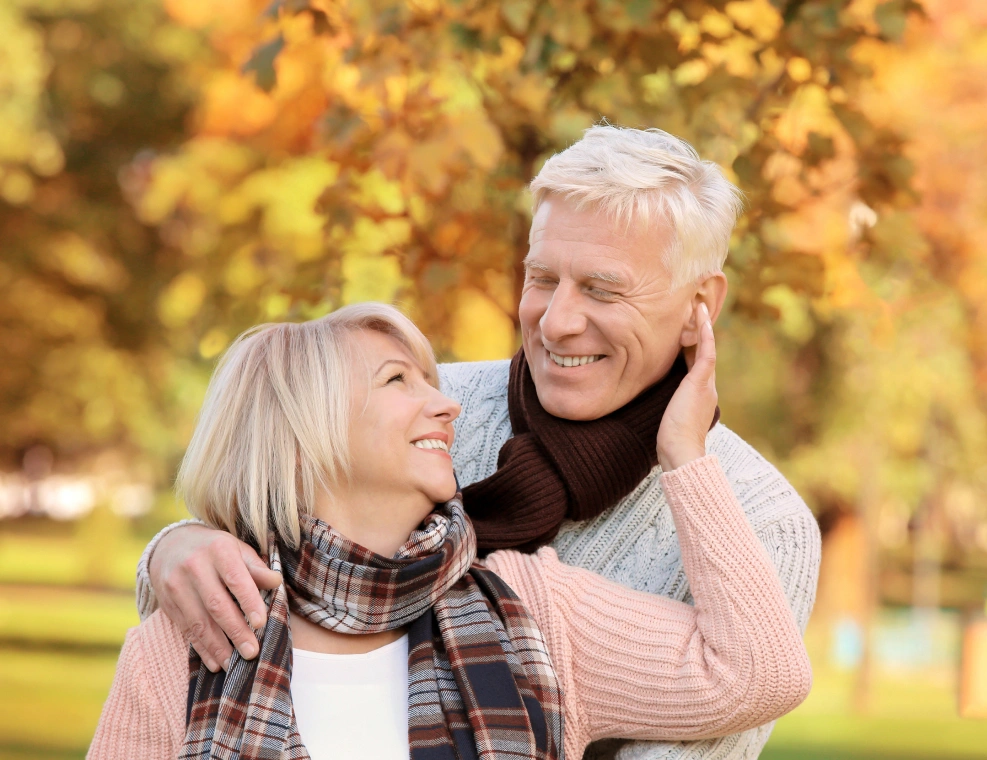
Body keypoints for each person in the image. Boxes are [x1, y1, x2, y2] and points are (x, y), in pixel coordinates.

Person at [134, 126, 822, 759]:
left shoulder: (762, 522)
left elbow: (744, 686)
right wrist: (178, 546)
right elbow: (279, 551)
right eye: (542, 278)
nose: (556, 322)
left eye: (603, 291)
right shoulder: (428, 417)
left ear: (702, 305)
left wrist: (684, 461)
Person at [89, 303, 811, 760]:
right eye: (399, 381)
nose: (447, 406)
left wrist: (684, 453)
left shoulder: (534, 609)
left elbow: (758, 673)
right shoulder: (187, 650)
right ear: (301, 436)